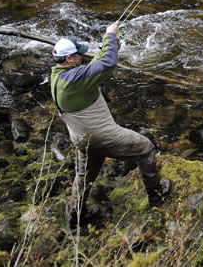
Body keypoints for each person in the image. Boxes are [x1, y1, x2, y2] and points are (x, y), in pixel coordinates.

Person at [51, 20, 171, 228]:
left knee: (83, 176)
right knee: (145, 148)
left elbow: (96, 66)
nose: (82, 56)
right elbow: (106, 64)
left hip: (81, 139)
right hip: (100, 136)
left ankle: (76, 215)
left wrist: (112, 46)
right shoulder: (76, 79)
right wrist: (110, 35)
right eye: (78, 54)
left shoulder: (58, 76)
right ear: (70, 59)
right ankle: (156, 196)